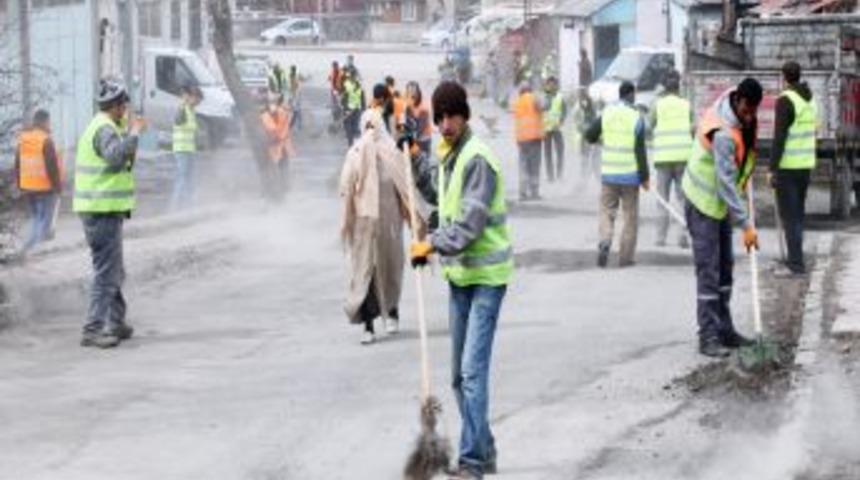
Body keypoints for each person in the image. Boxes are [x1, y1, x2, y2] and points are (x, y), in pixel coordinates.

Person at [409, 81, 512, 480]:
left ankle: (472, 464)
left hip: (487, 278)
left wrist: (430, 244)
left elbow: (468, 225)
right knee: (457, 377)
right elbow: (437, 192)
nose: (446, 124)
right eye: (440, 118)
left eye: (451, 116)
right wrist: (415, 157)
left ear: (464, 115)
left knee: (471, 374)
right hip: (462, 278)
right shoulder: (450, 155)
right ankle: (484, 450)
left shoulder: (477, 159)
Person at [681, 78, 762, 357]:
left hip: (719, 205)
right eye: (747, 110)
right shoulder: (723, 134)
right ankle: (708, 336)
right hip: (702, 201)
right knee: (709, 271)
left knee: (725, 267)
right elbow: (725, 183)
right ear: (738, 101)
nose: (750, 116)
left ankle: (725, 329)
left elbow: (743, 160)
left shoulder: (737, 104)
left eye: (754, 111)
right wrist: (746, 224)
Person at [339, 109, 422, 344]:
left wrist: (413, 217)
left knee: (390, 270)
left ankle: (392, 312)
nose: (370, 132)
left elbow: (406, 187)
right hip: (364, 228)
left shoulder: (393, 152)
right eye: (367, 126)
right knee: (366, 273)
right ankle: (368, 324)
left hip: (389, 227)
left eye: (373, 126)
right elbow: (345, 188)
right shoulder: (355, 154)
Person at [74, 78, 146, 348]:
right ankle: (92, 329)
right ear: (115, 106)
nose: (126, 109)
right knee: (107, 272)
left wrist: (129, 134)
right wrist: (135, 134)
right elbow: (115, 157)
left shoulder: (104, 125)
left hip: (101, 209)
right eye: (124, 105)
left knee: (114, 269)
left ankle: (116, 321)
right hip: (100, 210)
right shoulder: (105, 129)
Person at [585, 81, 649, 268]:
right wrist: (644, 176)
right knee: (630, 217)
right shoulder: (636, 117)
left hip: (609, 175)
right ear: (630, 95)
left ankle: (605, 240)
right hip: (630, 176)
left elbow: (589, 135)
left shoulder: (607, 113)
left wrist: (601, 140)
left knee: (607, 211)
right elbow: (640, 150)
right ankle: (625, 258)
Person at [770, 61, 816, 276]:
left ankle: (796, 265)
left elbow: (779, 137)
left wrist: (772, 168)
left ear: (784, 78)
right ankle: (795, 258)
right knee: (797, 215)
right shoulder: (810, 100)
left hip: (788, 167)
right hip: (805, 165)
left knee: (790, 217)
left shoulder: (785, 100)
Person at [649, 69, 693, 248]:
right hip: (683, 157)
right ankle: (683, 235)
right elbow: (693, 127)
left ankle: (660, 238)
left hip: (663, 158)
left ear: (664, 86)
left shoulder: (657, 105)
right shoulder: (686, 104)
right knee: (683, 199)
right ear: (678, 85)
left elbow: (650, 126)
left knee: (662, 199)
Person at [15, 109, 63, 254]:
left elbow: (17, 164)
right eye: (49, 122)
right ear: (44, 121)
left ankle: (28, 246)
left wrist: (20, 184)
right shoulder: (46, 140)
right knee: (44, 221)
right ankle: (30, 249)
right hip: (45, 188)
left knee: (36, 218)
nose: (50, 124)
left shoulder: (23, 139)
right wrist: (58, 187)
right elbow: (52, 167)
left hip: (28, 187)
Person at [171, 85, 202, 210]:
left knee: (189, 178)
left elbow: (192, 129)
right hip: (181, 149)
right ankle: (175, 207)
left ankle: (188, 206)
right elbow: (177, 120)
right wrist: (183, 103)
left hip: (189, 149)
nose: (198, 103)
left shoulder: (191, 110)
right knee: (182, 178)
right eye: (197, 99)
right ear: (191, 97)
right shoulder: (183, 109)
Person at [512, 82, 544, 200]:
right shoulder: (534, 98)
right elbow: (542, 108)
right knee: (534, 166)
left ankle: (522, 192)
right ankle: (534, 192)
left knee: (523, 166)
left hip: (521, 139)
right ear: (530, 89)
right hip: (534, 137)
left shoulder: (517, 102)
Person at [260, 93, 294, 199]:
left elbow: (283, 129)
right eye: (271, 102)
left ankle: (284, 188)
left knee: (283, 167)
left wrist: (277, 138)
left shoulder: (283, 113)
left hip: (281, 146)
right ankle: (275, 188)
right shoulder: (265, 116)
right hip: (272, 147)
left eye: (274, 102)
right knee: (274, 168)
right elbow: (267, 130)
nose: (272, 105)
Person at [542, 76, 567, 182]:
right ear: (547, 85)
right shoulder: (544, 98)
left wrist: (561, 121)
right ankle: (550, 176)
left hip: (557, 129)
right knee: (548, 154)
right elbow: (540, 112)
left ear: (556, 85)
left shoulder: (560, 98)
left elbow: (564, 111)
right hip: (546, 129)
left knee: (560, 152)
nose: (551, 86)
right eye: (549, 84)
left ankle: (559, 175)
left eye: (553, 84)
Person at [572, 89, 597, 179]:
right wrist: (580, 127)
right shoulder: (577, 106)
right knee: (584, 156)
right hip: (582, 135)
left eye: (583, 94)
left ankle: (589, 174)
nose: (582, 97)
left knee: (590, 156)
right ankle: (584, 175)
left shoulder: (591, 106)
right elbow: (575, 119)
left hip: (589, 134)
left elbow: (594, 118)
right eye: (581, 95)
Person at [405, 81, 433, 155]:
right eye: (408, 93)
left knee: (424, 159)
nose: (410, 95)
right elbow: (408, 123)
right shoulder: (409, 105)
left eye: (412, 93)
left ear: (417, 92)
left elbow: (421, 127)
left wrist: (412, 138)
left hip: (424, 139)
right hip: (414, 139)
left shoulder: (424, 106)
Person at [342, 67, 365, 147]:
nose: (354, 77)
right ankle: (351, 144)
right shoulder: (346, 84)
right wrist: (345, 108)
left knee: (355, 127)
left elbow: (362, 96)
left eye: (354, 75)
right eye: (353, 75)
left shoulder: (358, 84)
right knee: (349, 127)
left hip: (357, 109)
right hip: (349, 108)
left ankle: (354, 144)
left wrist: (363, 108)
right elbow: (344, 97)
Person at [288, 65, 303, 131]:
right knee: (296, 111)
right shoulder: (293, 76)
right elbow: (294, 86)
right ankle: (295, 125)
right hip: (295, 95)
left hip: (295, 95)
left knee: (296, 112)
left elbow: (294, 86)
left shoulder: (293, 76)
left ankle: (293, 125)